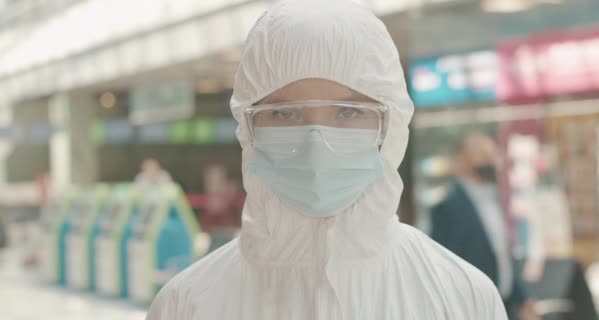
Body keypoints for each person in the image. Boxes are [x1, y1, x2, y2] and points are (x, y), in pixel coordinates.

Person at [146, 1, 507, 319]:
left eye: (348, 113)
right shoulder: (187, 305)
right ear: (247, 127)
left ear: (391, 126)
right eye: (285, 115)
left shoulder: (462, 298)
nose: (315, 145)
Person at [431, 133, 538, 320]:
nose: (490, 161)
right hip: (471, 309)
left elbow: (503, 254)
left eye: (493, 155)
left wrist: (523, 299)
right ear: (461, 160)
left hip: (505, 305)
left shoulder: (493, 199)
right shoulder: (447, 207)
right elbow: (441, 265)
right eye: (482, 155)